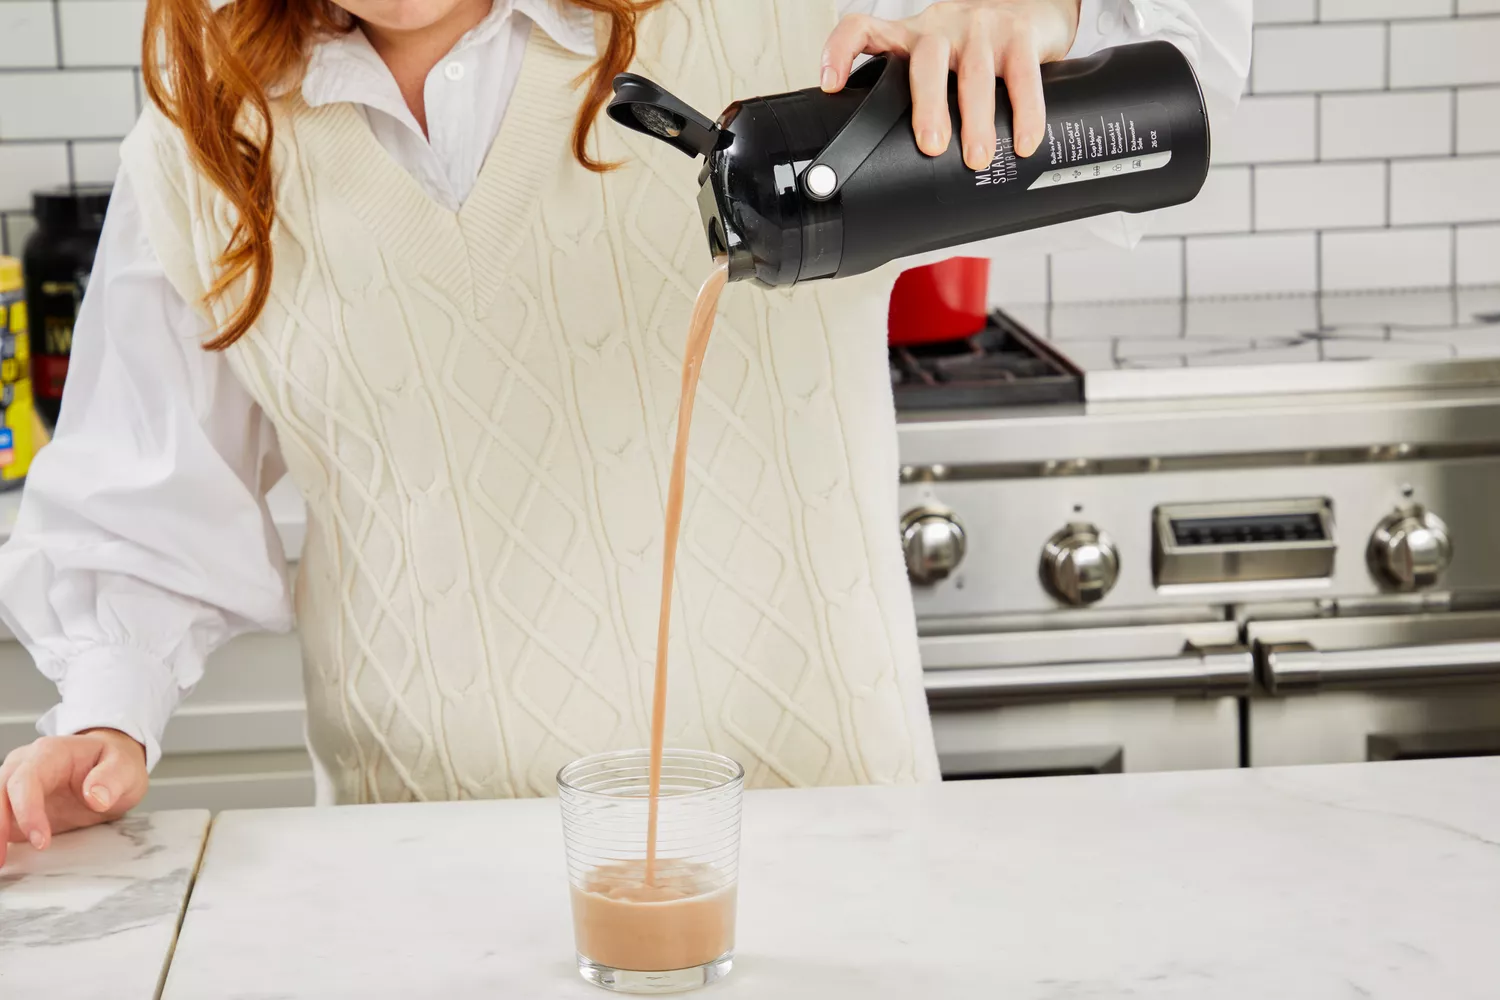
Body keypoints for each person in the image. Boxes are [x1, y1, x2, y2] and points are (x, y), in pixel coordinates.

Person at [0, 0, 1249, 864]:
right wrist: (105, 713)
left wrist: (1057, 16)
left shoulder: (778, 23)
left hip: (830, 875)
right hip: (420, 898)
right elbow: (143, 499)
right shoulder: (214, 137)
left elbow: (1191, 76)